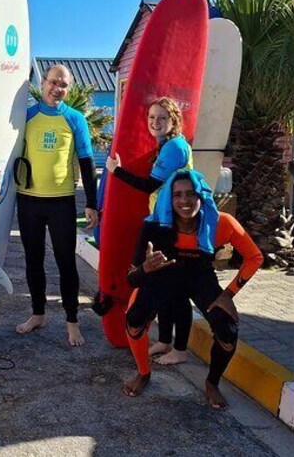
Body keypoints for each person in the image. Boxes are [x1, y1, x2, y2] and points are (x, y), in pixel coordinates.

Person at [122, 170, 262, 409]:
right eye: (177, 195)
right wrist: (145, 268)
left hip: (199, 279)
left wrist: (228, 294)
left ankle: (212, 383)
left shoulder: (220, 223)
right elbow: (131, 280)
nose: (184, 200)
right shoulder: (154, 227)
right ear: (169, 198)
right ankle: (144, 373)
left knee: (227, 329)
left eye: (191, 194)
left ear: (202, 196)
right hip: (162, 278)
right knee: (134, 320)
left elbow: (254, 257)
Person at [105, 97, 193, 365]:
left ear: (173, 120)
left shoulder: (174, 147)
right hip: (163, 220)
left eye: (162, 118)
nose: (156, 123)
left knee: (176, 289)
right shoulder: (167, 145)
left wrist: (116, 172)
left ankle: (180, 349)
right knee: (163, 285)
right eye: (152, 118)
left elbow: (148, 186)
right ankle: (165, 342)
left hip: (174, 224)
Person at [15, 64, 98, 347]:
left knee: (65, 262)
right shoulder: (26, 117)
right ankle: (37, 314)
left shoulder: (75, 119)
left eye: (63, 84)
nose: (57, 88)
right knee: (33, 260)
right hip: (28, 201)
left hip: (61, 202)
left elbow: (87, 163)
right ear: (42, 83)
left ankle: (72, 322)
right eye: (53, 82)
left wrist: (91, 203)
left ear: (69, 87)